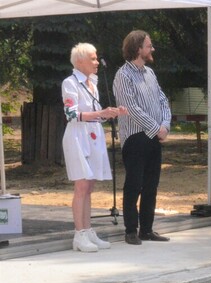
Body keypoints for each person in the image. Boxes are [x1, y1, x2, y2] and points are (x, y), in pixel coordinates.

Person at [62, 43, 127, 252]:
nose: (97, 62)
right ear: (80, 61)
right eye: (92, 58)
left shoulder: (93, 82)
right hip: (78, 136)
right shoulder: (70, 83)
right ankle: (79, 234)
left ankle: (88, 230)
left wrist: (110, 113)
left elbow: (95, 111)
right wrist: (100, 113)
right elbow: (71, 114)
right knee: (81, 185)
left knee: (89, 186)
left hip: (93, 134)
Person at [113, 30, 172, 245]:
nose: (152, 49)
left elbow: (163, 101)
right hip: (135, 138)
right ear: (138, 49)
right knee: (134, 184)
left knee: (151, 185)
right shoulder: (123, 75)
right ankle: (130, 230)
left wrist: (165, 126)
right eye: (149, 45)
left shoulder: (150, 73)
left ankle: (146, 229)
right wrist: (156, 128)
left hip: (154, 137)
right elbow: (131, 108)